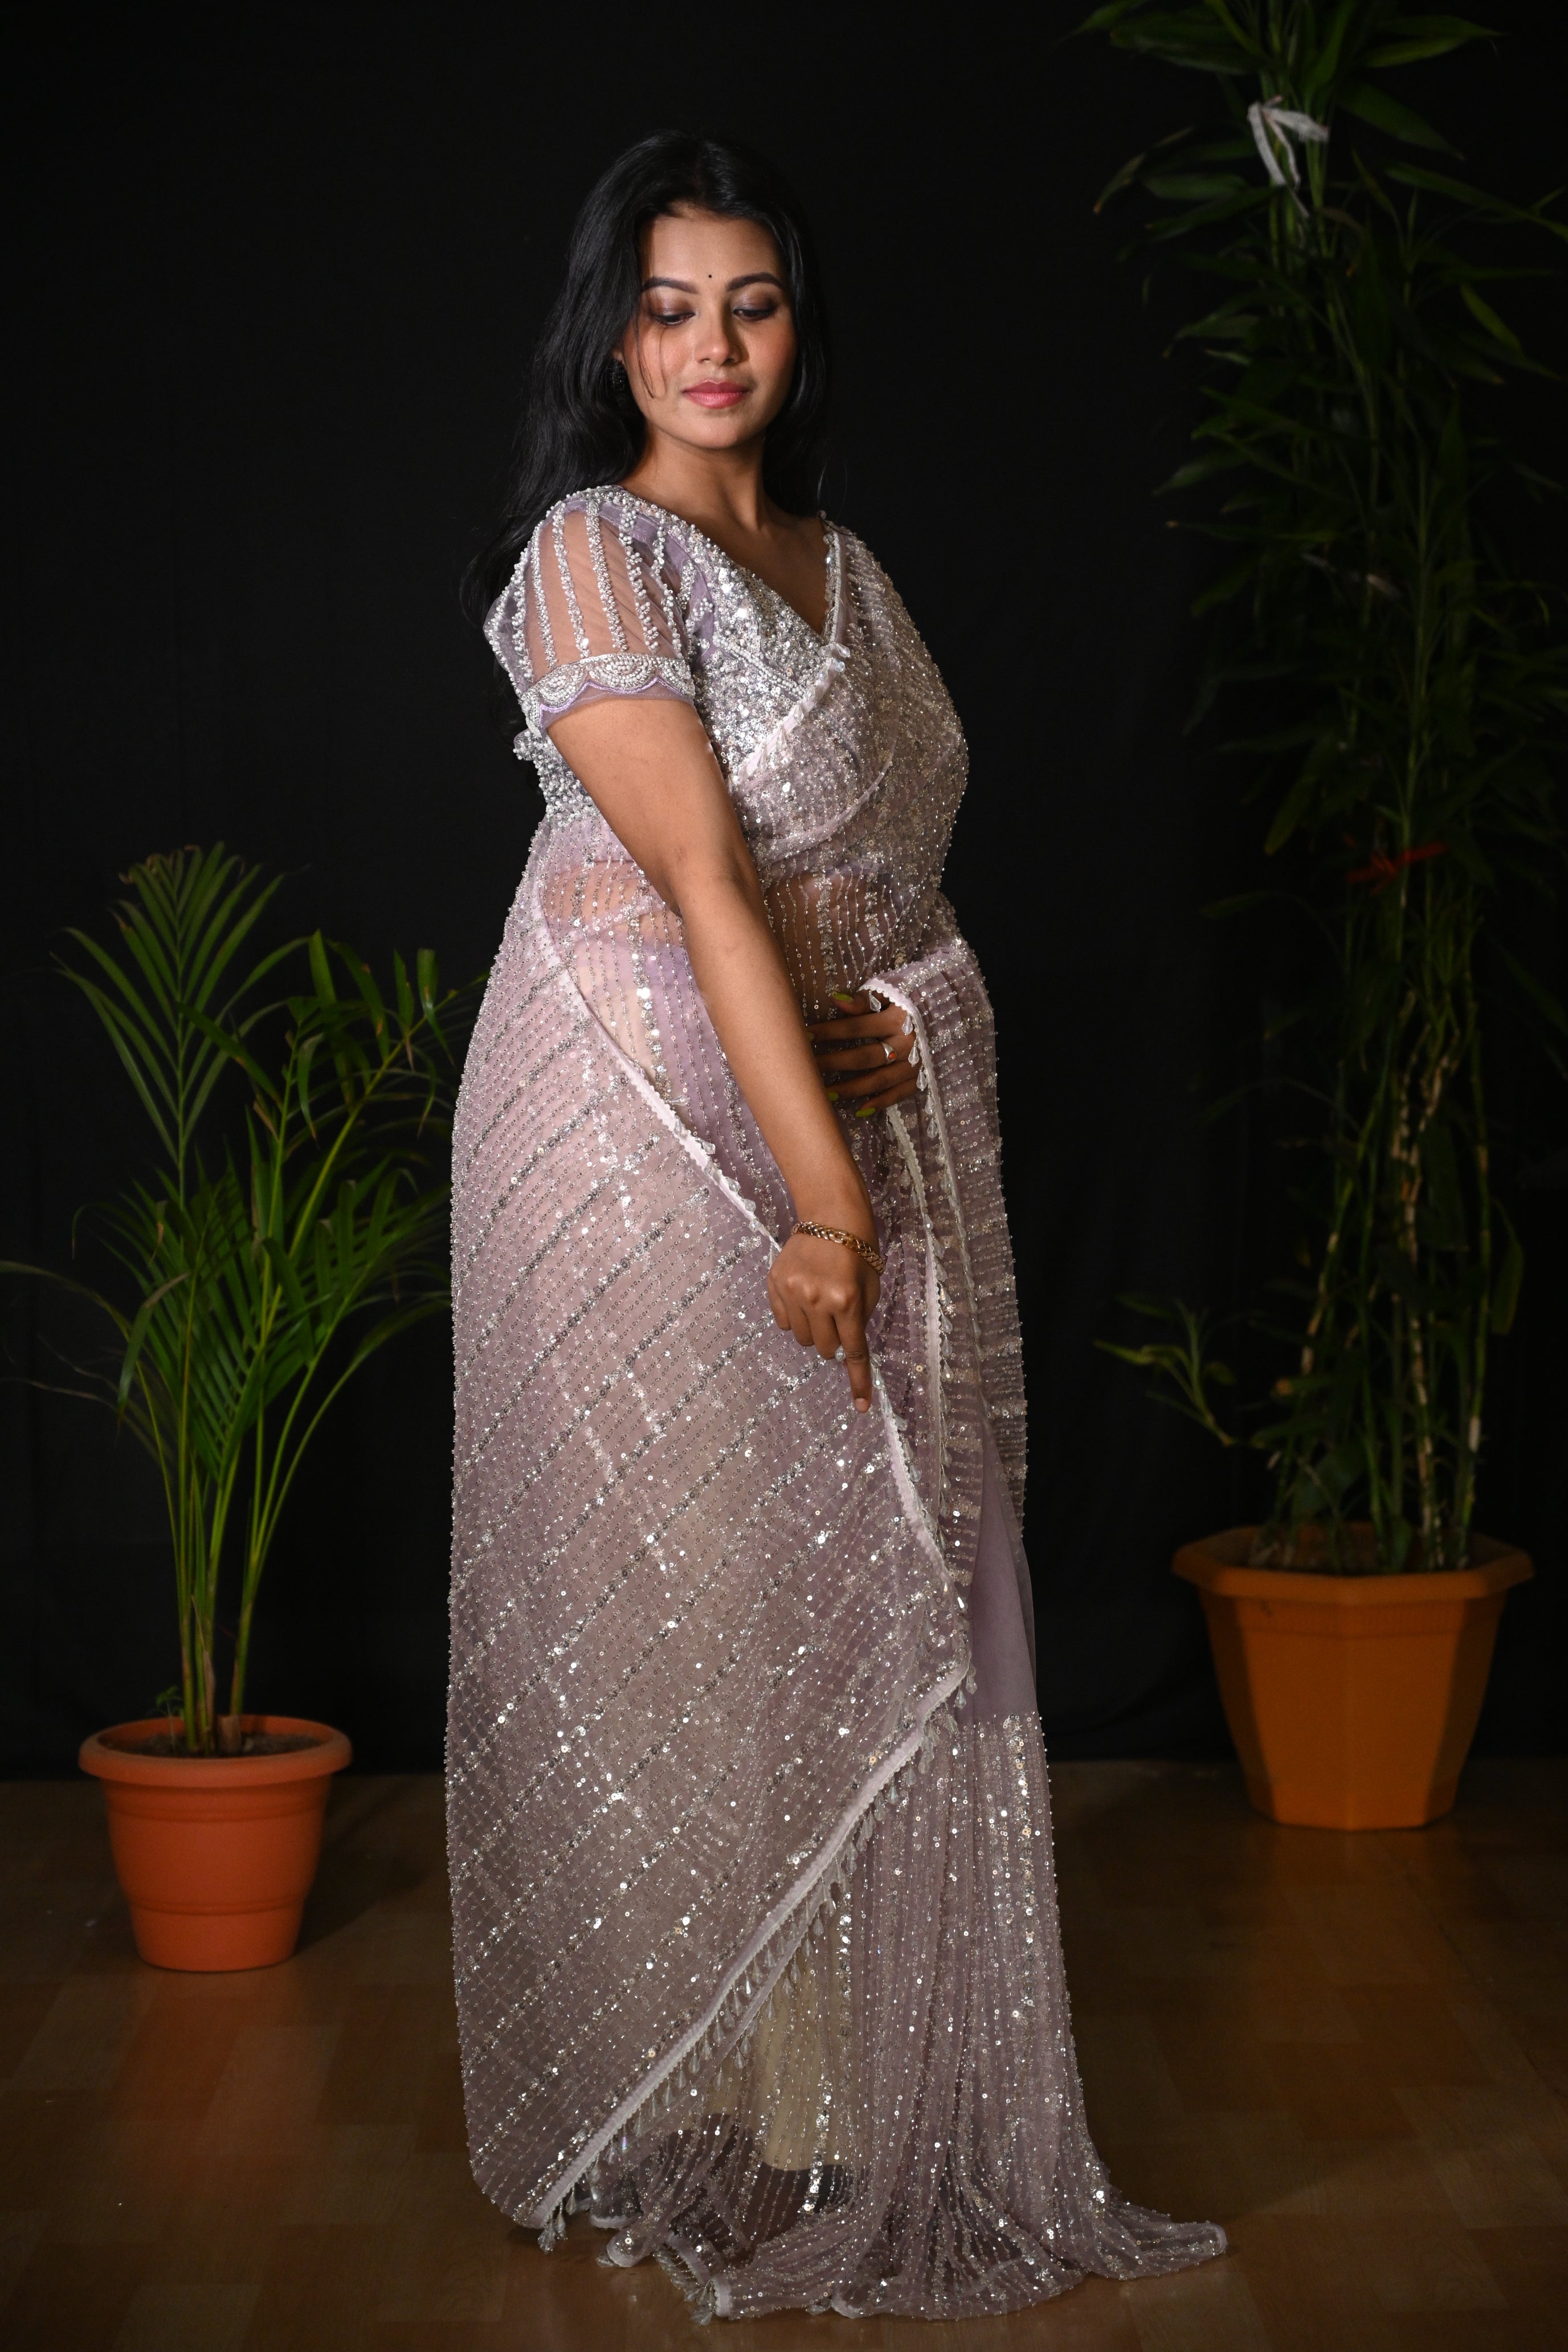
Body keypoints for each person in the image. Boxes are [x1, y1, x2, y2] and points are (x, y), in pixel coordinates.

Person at [448, 129, 1224, 2322]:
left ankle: (835, 2111)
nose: (713, 348)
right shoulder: (593, 557)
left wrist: (892, 1023)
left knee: (864, 1589)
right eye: (669, 309)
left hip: (832, 1100)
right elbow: (704, 880)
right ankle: (696, 2102)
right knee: (704, 1597)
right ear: (614, 338)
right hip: (645, 1134)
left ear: (798, 326)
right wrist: (820, 1198)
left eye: (753, 304)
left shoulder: (839, 568)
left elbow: (882, 875)